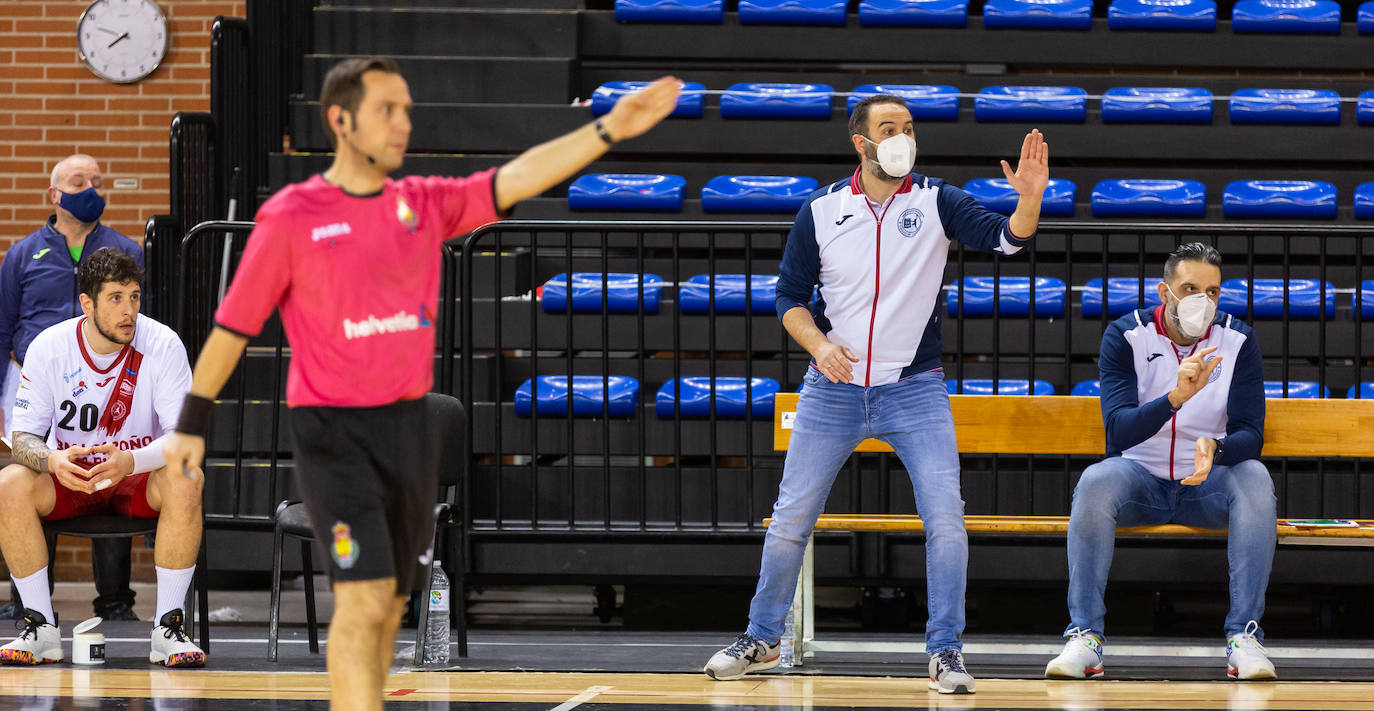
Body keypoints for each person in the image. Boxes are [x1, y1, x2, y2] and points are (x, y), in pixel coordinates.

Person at [161, 57, 680, 710]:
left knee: (391, 602)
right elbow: (232, 327)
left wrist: (609, 129)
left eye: (406, 108)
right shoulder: (292, 215)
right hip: (331, 431)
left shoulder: (422, 203)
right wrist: (190, 424)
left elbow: (516, 176)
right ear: (340, 120)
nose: (403, 122)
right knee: (363, 595)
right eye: (387, 109)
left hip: (408, 428)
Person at [702, 95, 1050, 694]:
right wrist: (818, 347)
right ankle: (762, 637)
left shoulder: (937, 201)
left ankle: (946, 653)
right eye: (889, 128)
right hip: (831, 390)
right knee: (790, 519)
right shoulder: (820, 209)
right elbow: (788, 298)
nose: (902, 138)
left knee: (946, 520)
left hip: (914, 389)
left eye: (909, 128)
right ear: (860, 143)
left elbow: (1007, 241)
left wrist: (1030, 199)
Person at [1044, 242, 1276, 681]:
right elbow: (1118, 431)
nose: (1201, 302)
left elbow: (1251, 431)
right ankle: (1085, 637)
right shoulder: (1126, 335)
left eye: (1211, 292)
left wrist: (1216, 449)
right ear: (1164, 291)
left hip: (1206, 483)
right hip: (1140, 480)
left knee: (1255, 477)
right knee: (1096, 480)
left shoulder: (1238, 339)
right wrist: (1175, 398)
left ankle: (1244, 638)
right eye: (1189, 288)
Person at [0, 247, 203, 667]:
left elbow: (184, 437)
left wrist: (130, 462)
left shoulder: (163, 343)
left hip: (137, 474)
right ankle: (39, 626)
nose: (128, 310)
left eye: (134, 296)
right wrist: (52, 460)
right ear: (87, 303)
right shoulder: (49, 347)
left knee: (188, 475)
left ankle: (169, 628)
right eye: (115, 298)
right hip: (71, 476)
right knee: (9, 484)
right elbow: (22, 438)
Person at [0, 154, 145, 622]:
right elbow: (2, 326)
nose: (93, 189)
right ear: (54, 195)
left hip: (108, 380)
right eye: (80, 181)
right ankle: (28, 603)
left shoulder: (126, 251)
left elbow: (141, 325)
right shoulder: (23, 254)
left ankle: (116, 602)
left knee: (105, 470)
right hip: (32, 380)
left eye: (98, 181)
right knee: (30, 479)